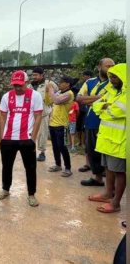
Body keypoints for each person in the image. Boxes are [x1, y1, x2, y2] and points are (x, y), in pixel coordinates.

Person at [0, 70, 43, 207]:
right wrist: (2, 138)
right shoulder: (6, 96)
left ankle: (31, 194)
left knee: (30, 168)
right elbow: (3, 116)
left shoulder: (35, 96)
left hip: (26, 139)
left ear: (27, 83)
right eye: (15, 85)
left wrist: (33, 138)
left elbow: (38, 116)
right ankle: (5, 189)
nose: (17, 88)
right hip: (8, 139)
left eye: (20, 85)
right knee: (6, 166)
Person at [88, 63, 126, 213]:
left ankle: (116, 203)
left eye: (115, 77)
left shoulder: (126, 94)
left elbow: (115, 112)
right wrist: (105, 106)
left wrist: (104, 107)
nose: (112, 79)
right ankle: (107, 193)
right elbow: (96, 106)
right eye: (110, 77)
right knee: (108, 169)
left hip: (119, 141)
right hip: (106, 140)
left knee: (119, 172)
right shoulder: (112, 92)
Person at [77, 58, 115, 186]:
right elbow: (79, 99)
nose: (111, 68)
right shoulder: (90, 82)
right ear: (99, 67)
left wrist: (90, 100)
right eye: (108, 66)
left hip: (109, 122)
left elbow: (111, 102)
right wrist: (99, 98)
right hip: (91, 121)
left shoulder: (116, 82)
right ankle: (98, 178)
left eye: (113, 66)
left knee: (109, 153)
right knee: (92, 150)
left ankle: (111, 184)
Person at [47, 76, 74, 177]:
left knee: (63, 147)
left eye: (62, 82)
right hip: (53, 124)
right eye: (60, 82)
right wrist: (49, 92)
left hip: (62, 125)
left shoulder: (69, 94)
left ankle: (68, 168)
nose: (60, 84)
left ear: (68, 84)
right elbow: (50, 101)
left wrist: (50, 89)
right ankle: (58, 164)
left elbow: (57, 101)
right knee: (55, 146)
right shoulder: (59, 93)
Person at [30, 67, 58, 162]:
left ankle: (42, 153)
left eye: (36, 75)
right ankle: (31, 150)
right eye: (33, 75)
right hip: (31, 114)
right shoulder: (30, 85)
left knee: (42, 133)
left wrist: (51, 102)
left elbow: (58, 93)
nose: (34, 77)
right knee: (30, 133)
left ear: (42, 75)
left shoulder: (49, 83)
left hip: (43, 114)